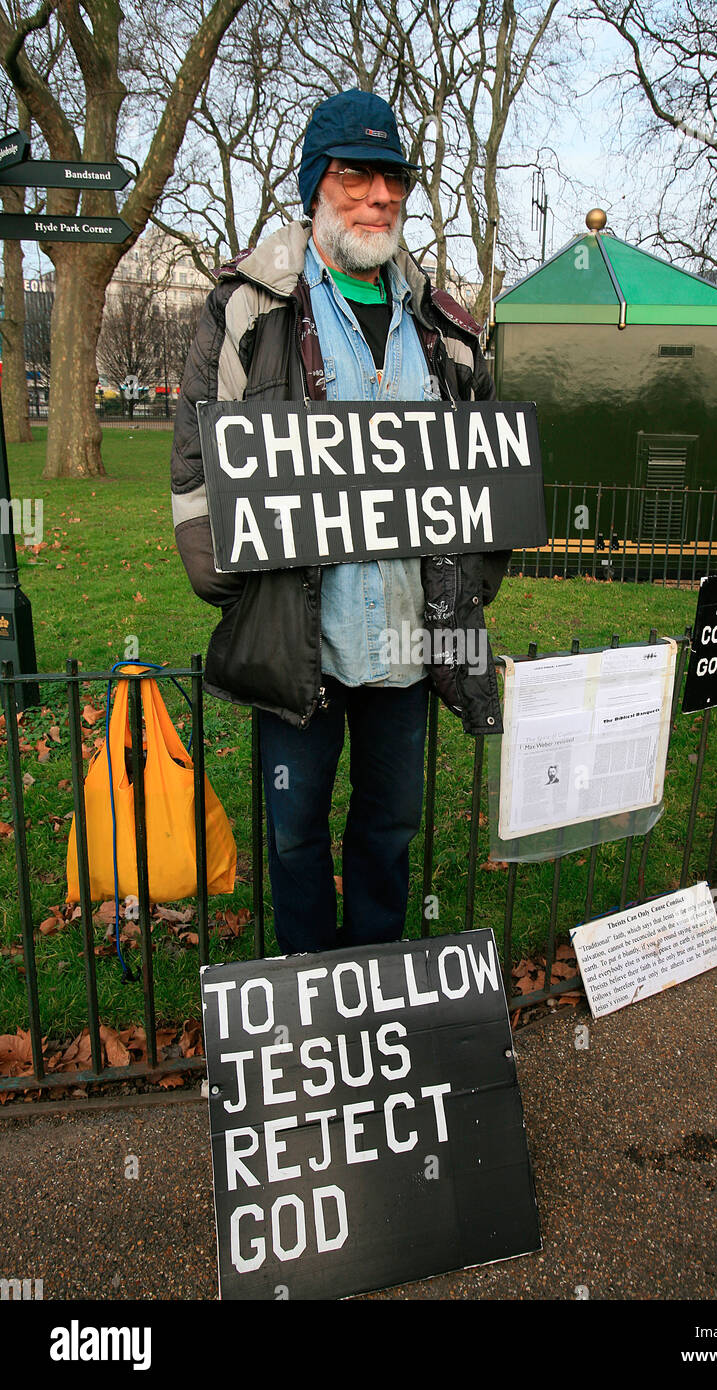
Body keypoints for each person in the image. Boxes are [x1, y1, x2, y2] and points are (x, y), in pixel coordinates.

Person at [170, 89, 509, 956]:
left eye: (393, 179)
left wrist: (470, 587)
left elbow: (490, 479)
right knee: (294, 835)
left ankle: (379, 978)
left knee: (390, 829)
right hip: (300, 640)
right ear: (316, 184)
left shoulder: (445, 326)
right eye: (357, 177)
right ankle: (309, 984)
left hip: (407, 640)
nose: (379, 197)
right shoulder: (249, 308)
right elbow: (197, 464)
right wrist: (231, 585)